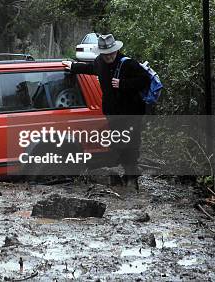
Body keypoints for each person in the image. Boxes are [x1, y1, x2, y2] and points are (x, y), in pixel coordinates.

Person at [63, 33, 150, 190]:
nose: (109, 56)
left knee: (130, 143)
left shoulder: (128, 64)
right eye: (105, 53)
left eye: (111, 52)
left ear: (116, 50)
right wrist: (73, 66)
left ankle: (132, 178)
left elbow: (145, 80)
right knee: (119, 143)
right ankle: (130, 174)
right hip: (112, 112)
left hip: (131, 112)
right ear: (101, 53)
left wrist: (123, 83)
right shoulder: (99, 62)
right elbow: (90, 68)